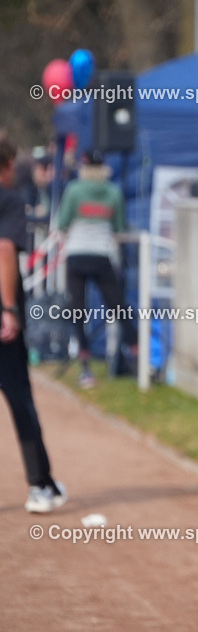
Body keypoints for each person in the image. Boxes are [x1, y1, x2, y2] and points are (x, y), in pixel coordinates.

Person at [0, 137, 66, 512]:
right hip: (2, 318)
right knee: (20, 400)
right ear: (7, 166)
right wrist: (9, 309)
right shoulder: (8, 200)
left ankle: (48, 485)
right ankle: (40, 485)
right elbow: (5, 249)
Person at [57, 150, 137, 388]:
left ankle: (85, 369)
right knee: (120, 308)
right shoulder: (113, 192)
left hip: (76, 255)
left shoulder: (73, 190)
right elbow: (119, 226)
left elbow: (62, 223)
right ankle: (139, 360)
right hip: (102, 255)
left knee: (78, 312)